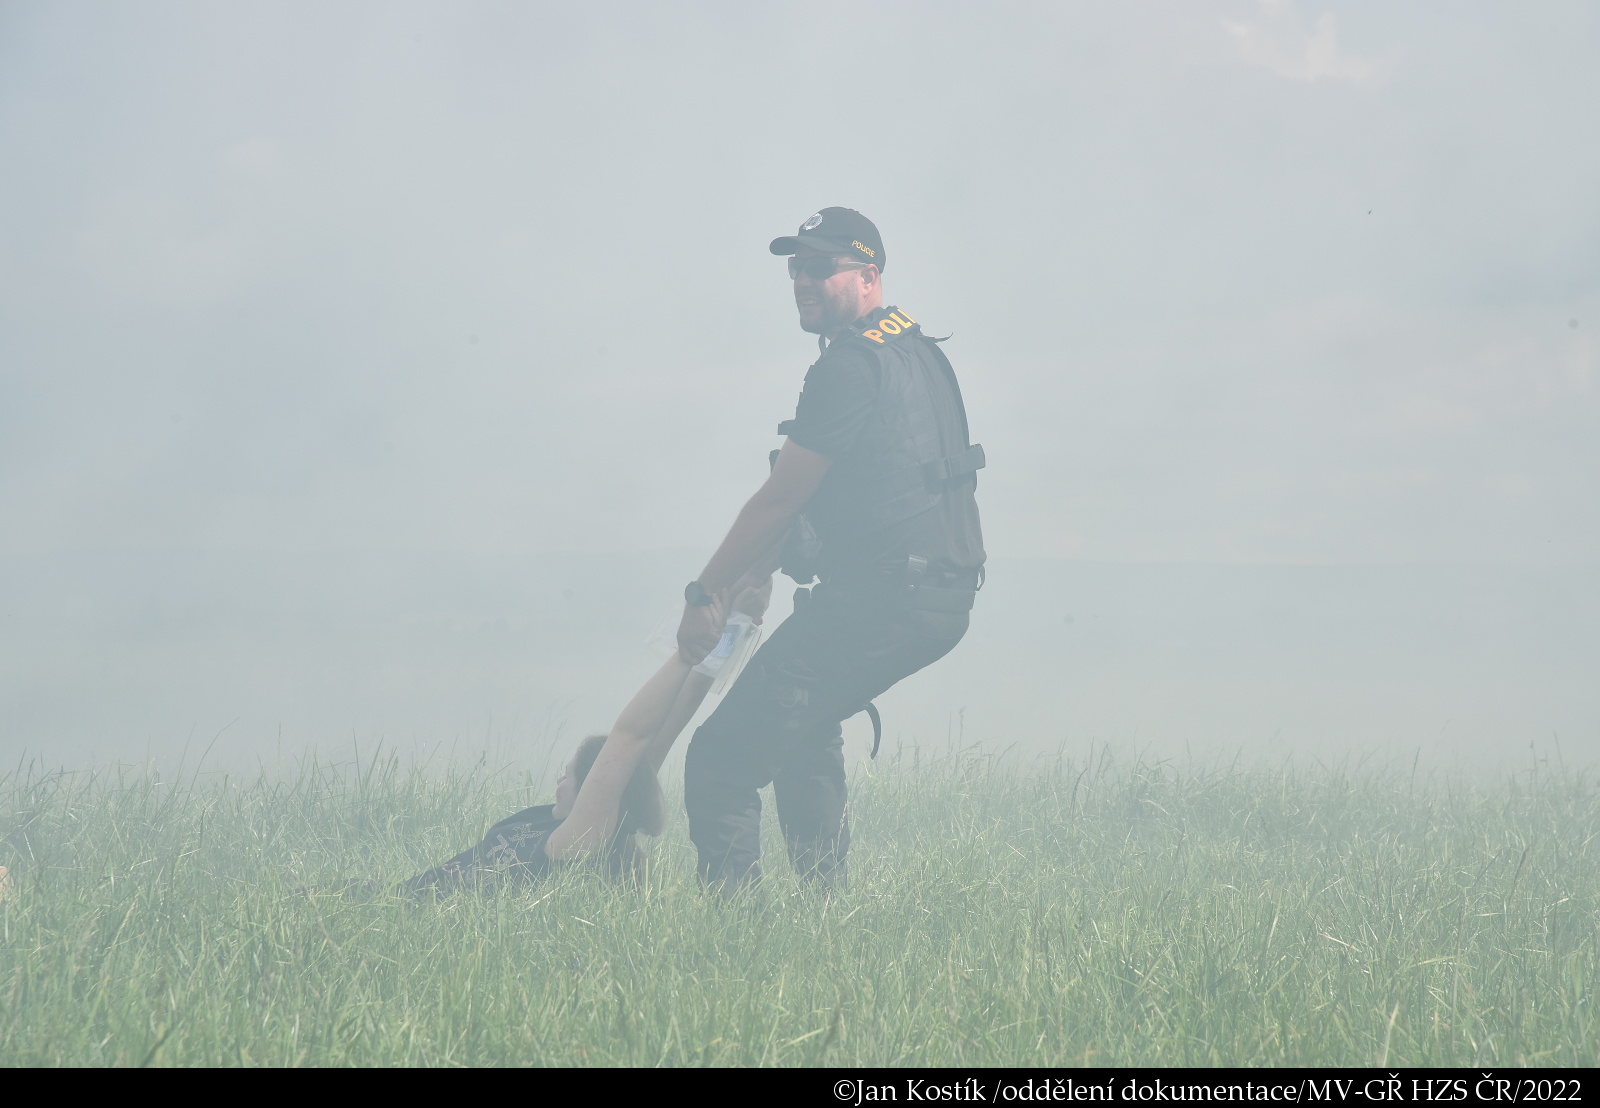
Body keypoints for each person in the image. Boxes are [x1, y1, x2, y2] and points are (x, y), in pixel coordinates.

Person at [677, 207, 986, 892]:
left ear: (869, 276)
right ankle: (826, 912)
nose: (802, 281)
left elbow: (781, 500)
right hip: (938, 594)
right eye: (795, 268)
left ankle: (737, 948)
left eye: (820, 267)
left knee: (720, 761)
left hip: (883, 600)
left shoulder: (849, 366)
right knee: (799, 728)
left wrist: (704, 595)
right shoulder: (917, 350)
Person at [405, 585, 767, 894]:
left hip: (415, 906)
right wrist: (733, 625)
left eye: (571, 776)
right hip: (401, 890)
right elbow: (670, 721)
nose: (560, 782)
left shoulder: (573, 845)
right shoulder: (554, 821)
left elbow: (631, 737)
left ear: (596, 793)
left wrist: (688, 652)